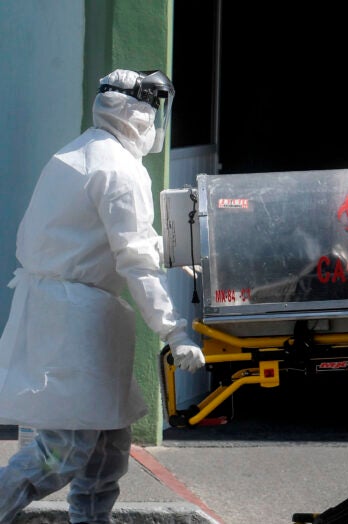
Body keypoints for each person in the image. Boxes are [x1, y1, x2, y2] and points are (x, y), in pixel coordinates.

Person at [0, 69, 205, 523]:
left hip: (74, 313)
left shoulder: (81, 152)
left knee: (108, 449)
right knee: (66, 450)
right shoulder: (119, 170)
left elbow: (94, 238)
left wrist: (167, 247)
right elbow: (132, 258)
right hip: (72, 322)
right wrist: (174, 331)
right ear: (141, 112)